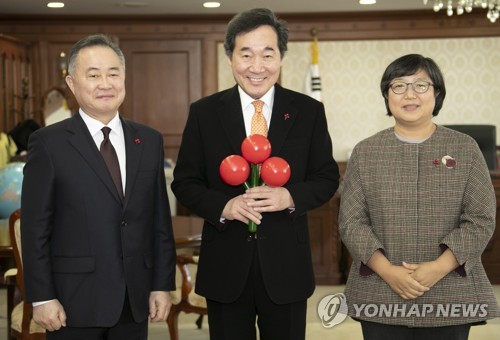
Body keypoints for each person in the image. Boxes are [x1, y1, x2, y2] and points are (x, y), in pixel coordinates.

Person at [171, 7, 339, 340]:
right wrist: (225, 207)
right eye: (246, 54)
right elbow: (185, 182)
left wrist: (290, 196)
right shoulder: (204, 113)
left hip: (286, 268)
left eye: (267, 54)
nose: (257, 67)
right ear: (230, 58)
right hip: (225, 267)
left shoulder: (308, 111)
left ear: (281, 57)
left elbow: (326, 178)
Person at [20, 34, 176, 340]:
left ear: (124, 78)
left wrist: (161, 284)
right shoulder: (48, 144)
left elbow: (159, 221)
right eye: (93, 75)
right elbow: (35, 227)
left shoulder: (148, 140)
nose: (105, 83)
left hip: (134, 299)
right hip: (73, 301)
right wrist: (42, 297)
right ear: (72, 83)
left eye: (113, 73)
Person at [339, 53, 500, 340]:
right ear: (387, 95)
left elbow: (481, 219)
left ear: (437, 93)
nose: (409, 94)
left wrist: (439, 267)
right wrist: (388, 271)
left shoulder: (465, 148)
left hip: (450, 289)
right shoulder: (366, 152)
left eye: (421, 85)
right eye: (398, 85)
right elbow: (351, 222)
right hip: (380, 289)